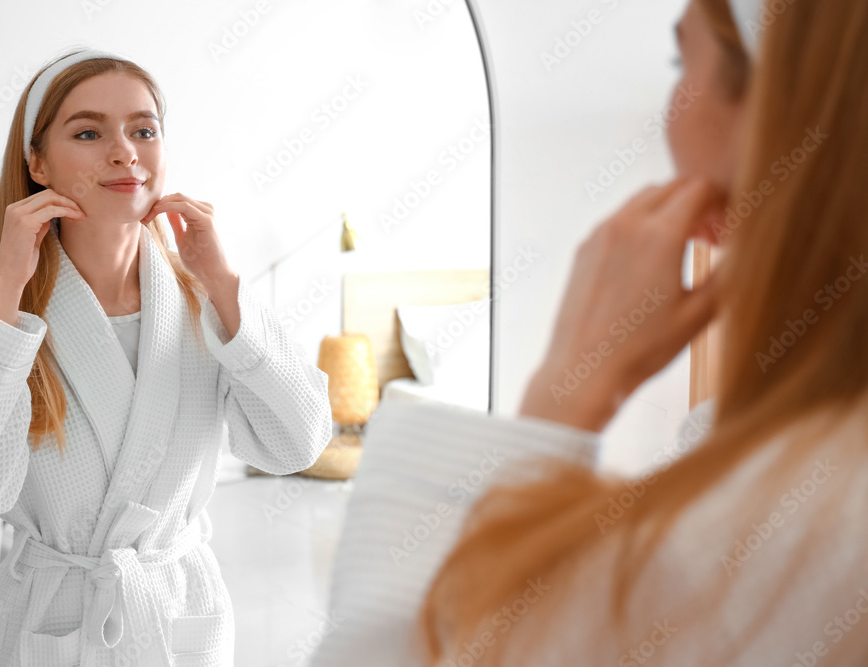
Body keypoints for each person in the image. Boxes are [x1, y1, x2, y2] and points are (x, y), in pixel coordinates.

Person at [310, 0, 868, 664]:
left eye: (679, 61)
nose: (670, 116)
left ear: (785, 110)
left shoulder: (759, 533)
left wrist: (567, 382)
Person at [0, 48, 333, 666]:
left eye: (144, 130)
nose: (125, 152)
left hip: (177, 612)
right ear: (36, 162)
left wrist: (224, 284)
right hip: (51, 615)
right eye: (89, 132)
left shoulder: (207, 306)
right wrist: (7, 290)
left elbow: (298, 443)